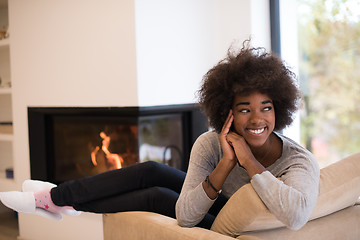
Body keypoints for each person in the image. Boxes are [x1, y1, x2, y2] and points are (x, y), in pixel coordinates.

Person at [0, 40, 319, 231]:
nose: (257, 119)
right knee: (151, 170)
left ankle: (55, 200)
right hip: (222, 201)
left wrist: (248, 162)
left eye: (266, 107)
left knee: (156, 196)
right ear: (228, 112)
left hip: (238, 224)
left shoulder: (299, 161)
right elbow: (189, 208)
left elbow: (295, 216)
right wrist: (224, 165)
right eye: (244, 109)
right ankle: (58, 198)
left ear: (279, 107)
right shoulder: (211, 143)